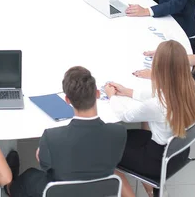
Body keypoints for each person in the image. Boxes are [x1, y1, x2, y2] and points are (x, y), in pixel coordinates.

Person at [8, 66, 127, 197]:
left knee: (28, 176)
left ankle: (9, 188)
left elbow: (45, 165)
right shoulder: (119, 132)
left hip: (62, 192)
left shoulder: (52, 137)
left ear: (67, 100)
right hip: (98, 191)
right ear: (97, 94)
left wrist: (42, 153)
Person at [104, 40, 195, 197]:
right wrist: (128, 91)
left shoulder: (157, 105)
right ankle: (152, 192)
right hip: (180, 151)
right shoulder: (191, 86)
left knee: (106, 152)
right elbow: (160, 94)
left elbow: (124, 115)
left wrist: (111, 96)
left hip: (158, 160)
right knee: (129, 136)